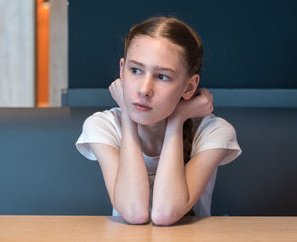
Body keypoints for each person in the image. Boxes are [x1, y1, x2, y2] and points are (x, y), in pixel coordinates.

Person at [75, 16, 242, 226]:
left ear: (189, 87)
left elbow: (165, 213)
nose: (144, 90)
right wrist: (127, 115)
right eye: (135, 70)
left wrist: (177, 119)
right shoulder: (102, 126)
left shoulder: (214, 132)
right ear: (122, 70)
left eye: (162, 76)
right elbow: (134, 212)